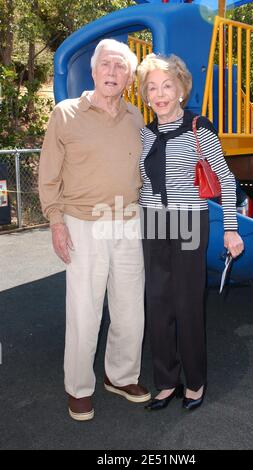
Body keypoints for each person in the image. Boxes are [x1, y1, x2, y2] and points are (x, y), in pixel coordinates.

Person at [38, 39, 151, 421]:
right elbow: (48, 175)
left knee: (131, 310)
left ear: (129, 77)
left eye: (121, 67)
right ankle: (79, 388)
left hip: (128, 222)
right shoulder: (65, 114)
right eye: (106, 65)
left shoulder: (136, 117)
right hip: (82, 223)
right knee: (85, 312)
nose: (112, 73)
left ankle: (120, 376)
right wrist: (56, 222)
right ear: (93, 69)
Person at [137, 53, 244, 411]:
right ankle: (166, 381)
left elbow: (226, 180)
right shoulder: (144, 134)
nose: (160, 93)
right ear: (145, 95)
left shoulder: (199, 127)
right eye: (152, 87)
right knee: (157, 303)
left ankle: (195, 382)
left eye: (167, 85)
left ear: (181, 89)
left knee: (187, 304)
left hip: (187, 221)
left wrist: (230, 228)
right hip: (152, 223)